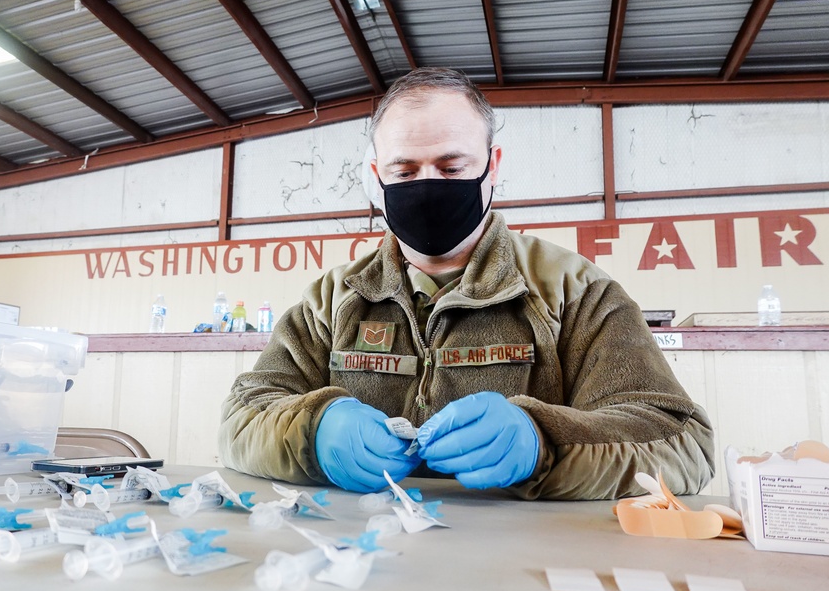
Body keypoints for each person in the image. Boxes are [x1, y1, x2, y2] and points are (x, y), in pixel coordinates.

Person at [219, 67, 714, 500]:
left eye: (452, 167)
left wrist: (544, 442)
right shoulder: (332, 299)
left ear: (492, 166)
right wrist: (311, 430)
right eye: (404, 170)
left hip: (523, 567)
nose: (428, 185)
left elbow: (680, 441)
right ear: (376, 177)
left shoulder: (572, 289)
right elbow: (242, 420)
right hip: (364, 560)